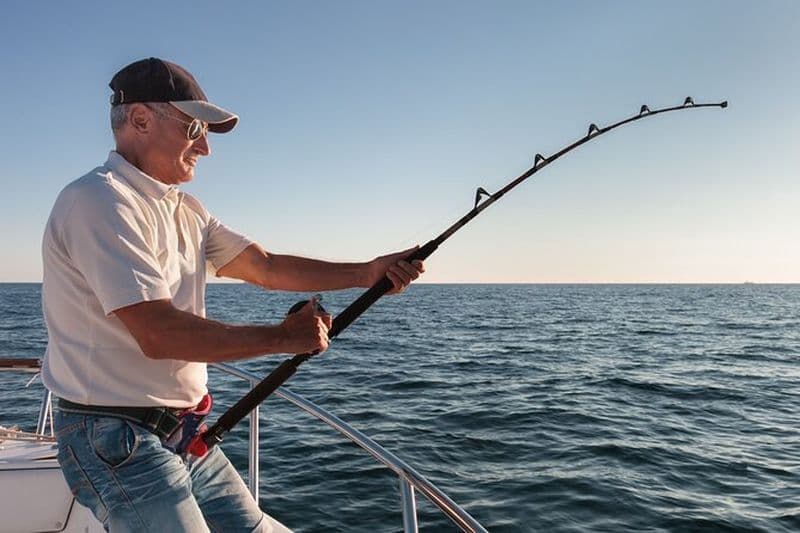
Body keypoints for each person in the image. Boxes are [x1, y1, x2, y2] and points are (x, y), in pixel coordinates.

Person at [41, 57, 425, 532]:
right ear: (140, 119)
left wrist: (366, 273)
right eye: (195, 127)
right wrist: (283, 338)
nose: (205, 147)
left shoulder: (186, 209)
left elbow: (264, 266)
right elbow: (158, 333)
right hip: (114, 437)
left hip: (180, 432)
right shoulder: (99, 200)